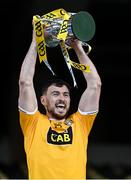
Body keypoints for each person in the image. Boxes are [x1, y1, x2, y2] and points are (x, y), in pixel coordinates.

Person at [18, 27, 102, 179]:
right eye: (55, 94)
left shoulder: (80, 123)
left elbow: (95, 85)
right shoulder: (32, 123)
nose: (62, 98)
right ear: (43, 100)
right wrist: (35, 43)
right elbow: (25, 83)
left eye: (66, 95)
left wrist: (77, 48)